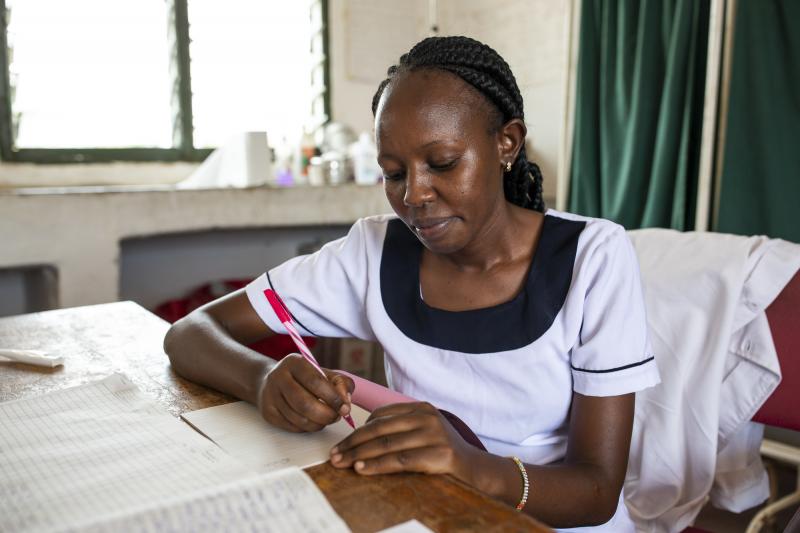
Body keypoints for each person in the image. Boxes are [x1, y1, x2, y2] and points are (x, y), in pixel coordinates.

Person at [164, 36, 660, 531]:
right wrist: (262, 379)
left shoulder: (591, 258)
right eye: (393, 172)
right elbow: (190, 332)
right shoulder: (374, 253)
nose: (415, 195)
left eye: (443, 163)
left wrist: (468, 466)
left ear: (507, 142)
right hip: (431, 512)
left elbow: (596, 492)